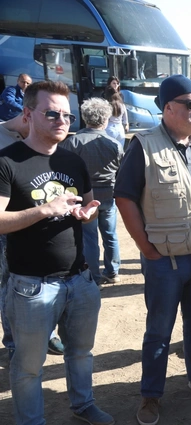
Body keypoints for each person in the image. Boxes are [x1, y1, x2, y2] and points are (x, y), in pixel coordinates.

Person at [0, 80, 110, 425]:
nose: (62, 119)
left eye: (67, 113)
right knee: (29, 367)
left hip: (79, 279)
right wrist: (46, 209)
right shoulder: (8, 161)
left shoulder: (72, 160)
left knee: (81, 353)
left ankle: (83, 404)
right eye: (52, 112)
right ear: (28, 115)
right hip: (32, 286)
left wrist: (85, 211)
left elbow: (92, 202)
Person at [114, 75, 191, 425]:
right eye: (190, 104)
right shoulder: (144, 145)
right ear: (167, 108)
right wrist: (145, 249)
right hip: (164, 260)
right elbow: (125, 198)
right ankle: (151, 394)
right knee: (159, 329)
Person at [0, 115, 65, 360]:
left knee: (48, 281)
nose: (58, 122)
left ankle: (48, 335)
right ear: (29, 115)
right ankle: (13, 341)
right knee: (9, 285)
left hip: (43, 225)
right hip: (10, 227)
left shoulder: (48, 141)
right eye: (50, 115)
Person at [59, 98, 124, 286]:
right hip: (109, 196)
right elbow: (121, 170)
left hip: (84, 198)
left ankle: (94, 276)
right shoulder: (114, 144)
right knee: (110, 235)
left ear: (84, 117)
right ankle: (113, 272)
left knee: (89, 238)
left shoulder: (73, 142)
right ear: (106, 118)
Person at [103, 78, 128, 146]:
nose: (116, 85)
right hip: (120, 128)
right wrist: (126, 123)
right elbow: (125, 113)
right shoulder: (121, 104)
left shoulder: (106, 103)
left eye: (117, 83)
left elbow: (105, 117)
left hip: (110, 127)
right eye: (114, 83)